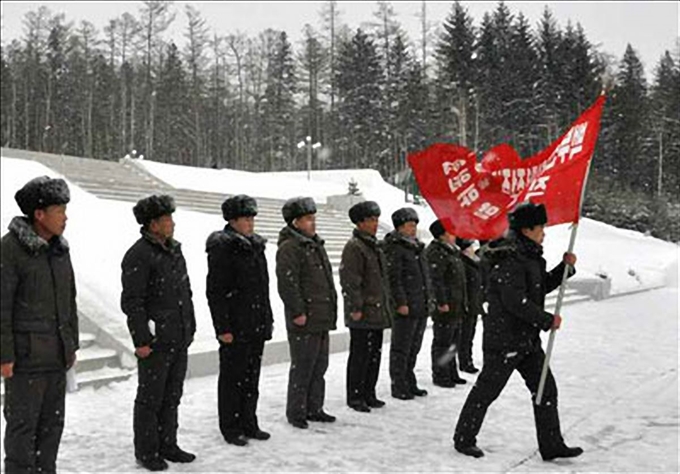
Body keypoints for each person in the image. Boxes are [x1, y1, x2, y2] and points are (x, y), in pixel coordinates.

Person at [453, 202, 583, 461]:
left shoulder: (530, 255)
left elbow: (539, 287)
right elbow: (514, 301)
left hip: (527, 340)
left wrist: (563, 268)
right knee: (487, 391)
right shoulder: (510, 258)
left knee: (546, 390)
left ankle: (551, 445)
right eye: (540, 227)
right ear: (526, 229)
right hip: (505, 340)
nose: (544, 232)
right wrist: (546, 319)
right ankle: (463, 438)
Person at [1, 176, 79, 474]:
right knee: (22, 431)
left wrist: (70, 346)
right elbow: (1, 306)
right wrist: (5, 355)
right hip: (25, 361)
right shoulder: (10, 249)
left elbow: (69, 302)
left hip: (56, 359)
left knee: (51, 429)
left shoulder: (60, 250)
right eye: (59, 210)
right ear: (39, 214)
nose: (65, 217)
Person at [121, 195, 196, 471]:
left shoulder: (174, 251)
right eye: (167, 219)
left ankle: (168, 444)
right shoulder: (138, 255)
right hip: (155, 341)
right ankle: (147, 450)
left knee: (172, 396)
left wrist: (190, 326)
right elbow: (133, 302)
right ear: (153, 224)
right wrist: (141, 339)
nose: (172, 224)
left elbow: (184, 292)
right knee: (150, 399)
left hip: (178, 336)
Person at [206, 195, 274, 446]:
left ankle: (249, 421)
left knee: (251, 378)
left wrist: (267, 319)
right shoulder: (223, 248)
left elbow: (262, 288)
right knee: (232, 379)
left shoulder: (255, 246)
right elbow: (216, 291)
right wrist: (222, 327)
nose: (251, 222)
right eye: (246, 218)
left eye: (252, 217)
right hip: (235, 326)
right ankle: (231, 426)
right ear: (233, 220)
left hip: (255, 323)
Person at [276, 197, 338, 429]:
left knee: (319, 367)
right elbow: (288, 284)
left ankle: (315, 407)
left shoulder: (314, 244)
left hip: (321, 315)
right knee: (303, 367)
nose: (313, 223)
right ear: (295, 222)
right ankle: (297, 411)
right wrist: (298, 311)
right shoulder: (290, 247)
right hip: (305, 317)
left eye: (314, 218)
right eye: (308, 219)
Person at [339, 201, 392, 412]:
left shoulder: (373, 246)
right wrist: (356, 307)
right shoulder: (355, 247)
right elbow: (351, 281)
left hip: (377, 310)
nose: (375, 224)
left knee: (374, 354)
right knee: (360, 355)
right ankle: (355, 395)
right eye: (370, 220)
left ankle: (369, 392)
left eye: (376, 219)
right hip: (364, 311)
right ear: (359, 223)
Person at [383, 208, 431, 400]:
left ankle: (409, 380)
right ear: (400, 227)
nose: (413, 229)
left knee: (414, 347)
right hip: (406, 306)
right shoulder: (395, 248)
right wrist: (400, 302)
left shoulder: (417, 247)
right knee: (401, 348)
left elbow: (425, 277)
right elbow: (395, 279)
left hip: (420, 304)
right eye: (410, 225)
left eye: (415, 225)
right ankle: (399, 383)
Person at [424, 220, 468, 388]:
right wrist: (442, 301)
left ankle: (451, 371)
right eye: (451, 231)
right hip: (446, 305)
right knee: (443, 342)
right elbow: (436, 280)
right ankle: (441, 374)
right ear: (442, 234)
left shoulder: (452, 252)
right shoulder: (436, 252)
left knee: (453, 341)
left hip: (456, 304)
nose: (455, 234)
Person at [456, 238, 483, 374]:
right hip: (467, 303)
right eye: (470, 247)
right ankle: (464, 361)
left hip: (474, 302)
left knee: (469, 334)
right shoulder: (463, 263)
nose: (472, 249)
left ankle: (467, 360)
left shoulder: (474, 261)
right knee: (465, 335)